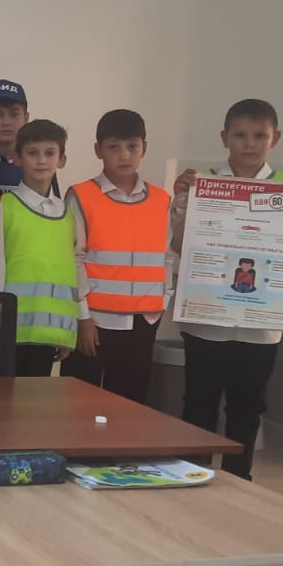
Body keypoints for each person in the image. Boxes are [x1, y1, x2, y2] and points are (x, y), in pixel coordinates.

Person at [170, 98, 283, 479]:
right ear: (225, 138)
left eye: (259, 136)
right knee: (198, 403)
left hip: (261, 326)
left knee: (247, 406)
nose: (249, 144)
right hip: (206, 319)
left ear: (274, 138)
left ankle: (240, 480)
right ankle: (190, 475)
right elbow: (181, 244)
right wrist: (182, 201)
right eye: (240, 135)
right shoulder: (203, 183)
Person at [60, 109, 170, 404]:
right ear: (98, 150)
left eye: (132, 146)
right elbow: (73, 259)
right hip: (95, 322)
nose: (124, 155)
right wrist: (82, 318)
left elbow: (167, 255)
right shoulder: (81, 195)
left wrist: (163, 301)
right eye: (114, 147)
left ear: (144, 148)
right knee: (78, 404)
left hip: (144, 321)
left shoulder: (161, 199)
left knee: (131, 406)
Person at [0, 120, 79, 377]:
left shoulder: (67, 213)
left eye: (49, 153)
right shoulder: (4, 206)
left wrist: (66, 331)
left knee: (35, 398)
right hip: (9, 331)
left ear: (62, 160)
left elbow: (70, 273)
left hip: (49, 335)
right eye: (32, 153)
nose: (41, 160)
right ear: (17, 158)